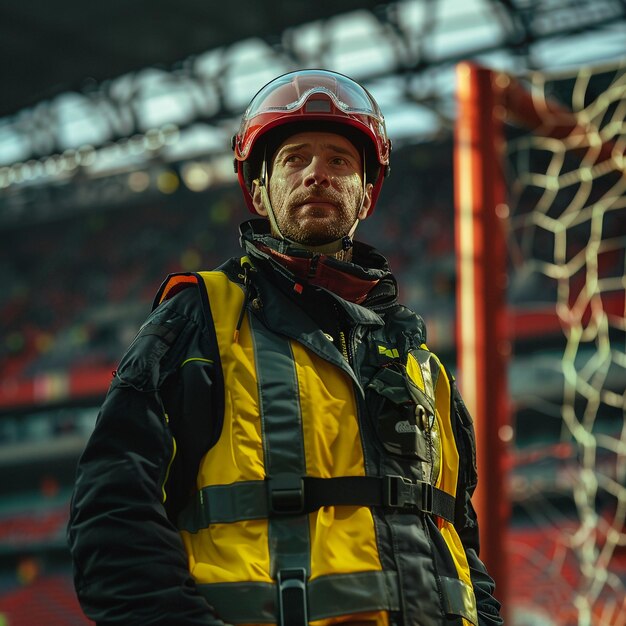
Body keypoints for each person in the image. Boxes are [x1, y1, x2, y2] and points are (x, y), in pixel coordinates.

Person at [68, 69, 503, 626]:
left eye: (339, 161)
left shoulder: (425, 367)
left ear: (366, 195)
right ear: (259, 189)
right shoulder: (200, 318)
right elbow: (111, 517)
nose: (316, 174)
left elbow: (460, 544)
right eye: (295, 158)